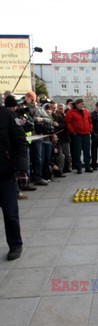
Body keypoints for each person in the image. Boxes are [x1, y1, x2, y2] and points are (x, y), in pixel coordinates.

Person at [0, 106, 29, 260]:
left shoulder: (8, 116)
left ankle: (15, 245)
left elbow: (20, 143)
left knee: (10, 214)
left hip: (5, 174)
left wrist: (22, 169)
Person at [65, 99, 93, 174]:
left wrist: (90, 130)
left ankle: (87, 166)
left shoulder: (86, 112)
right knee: (77, 152)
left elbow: (90, 121)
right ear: (77, 104)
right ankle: (79, 167)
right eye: (81, 104)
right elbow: (68, 123)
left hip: (86, 134)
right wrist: (73, 132)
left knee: (87, 151)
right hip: (77, 135)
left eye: (83, 104)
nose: (83, 105)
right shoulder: (70, 112)